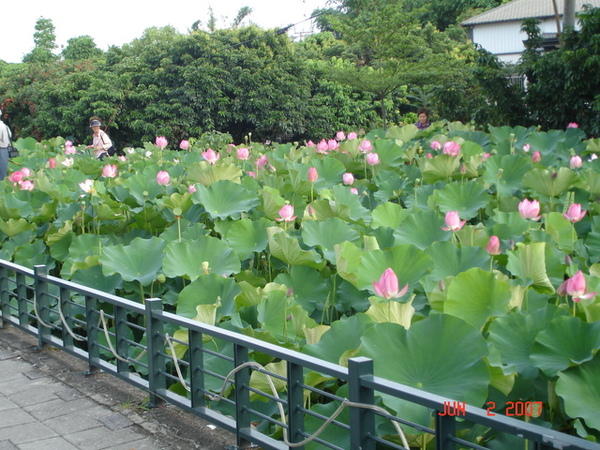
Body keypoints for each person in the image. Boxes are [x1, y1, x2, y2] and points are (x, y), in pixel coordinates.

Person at [0, 110, 12, 180]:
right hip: (5, 151)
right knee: (3, 172)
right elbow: (10, 137)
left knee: (1, 175)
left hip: (1, 150)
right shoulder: (5, 126)